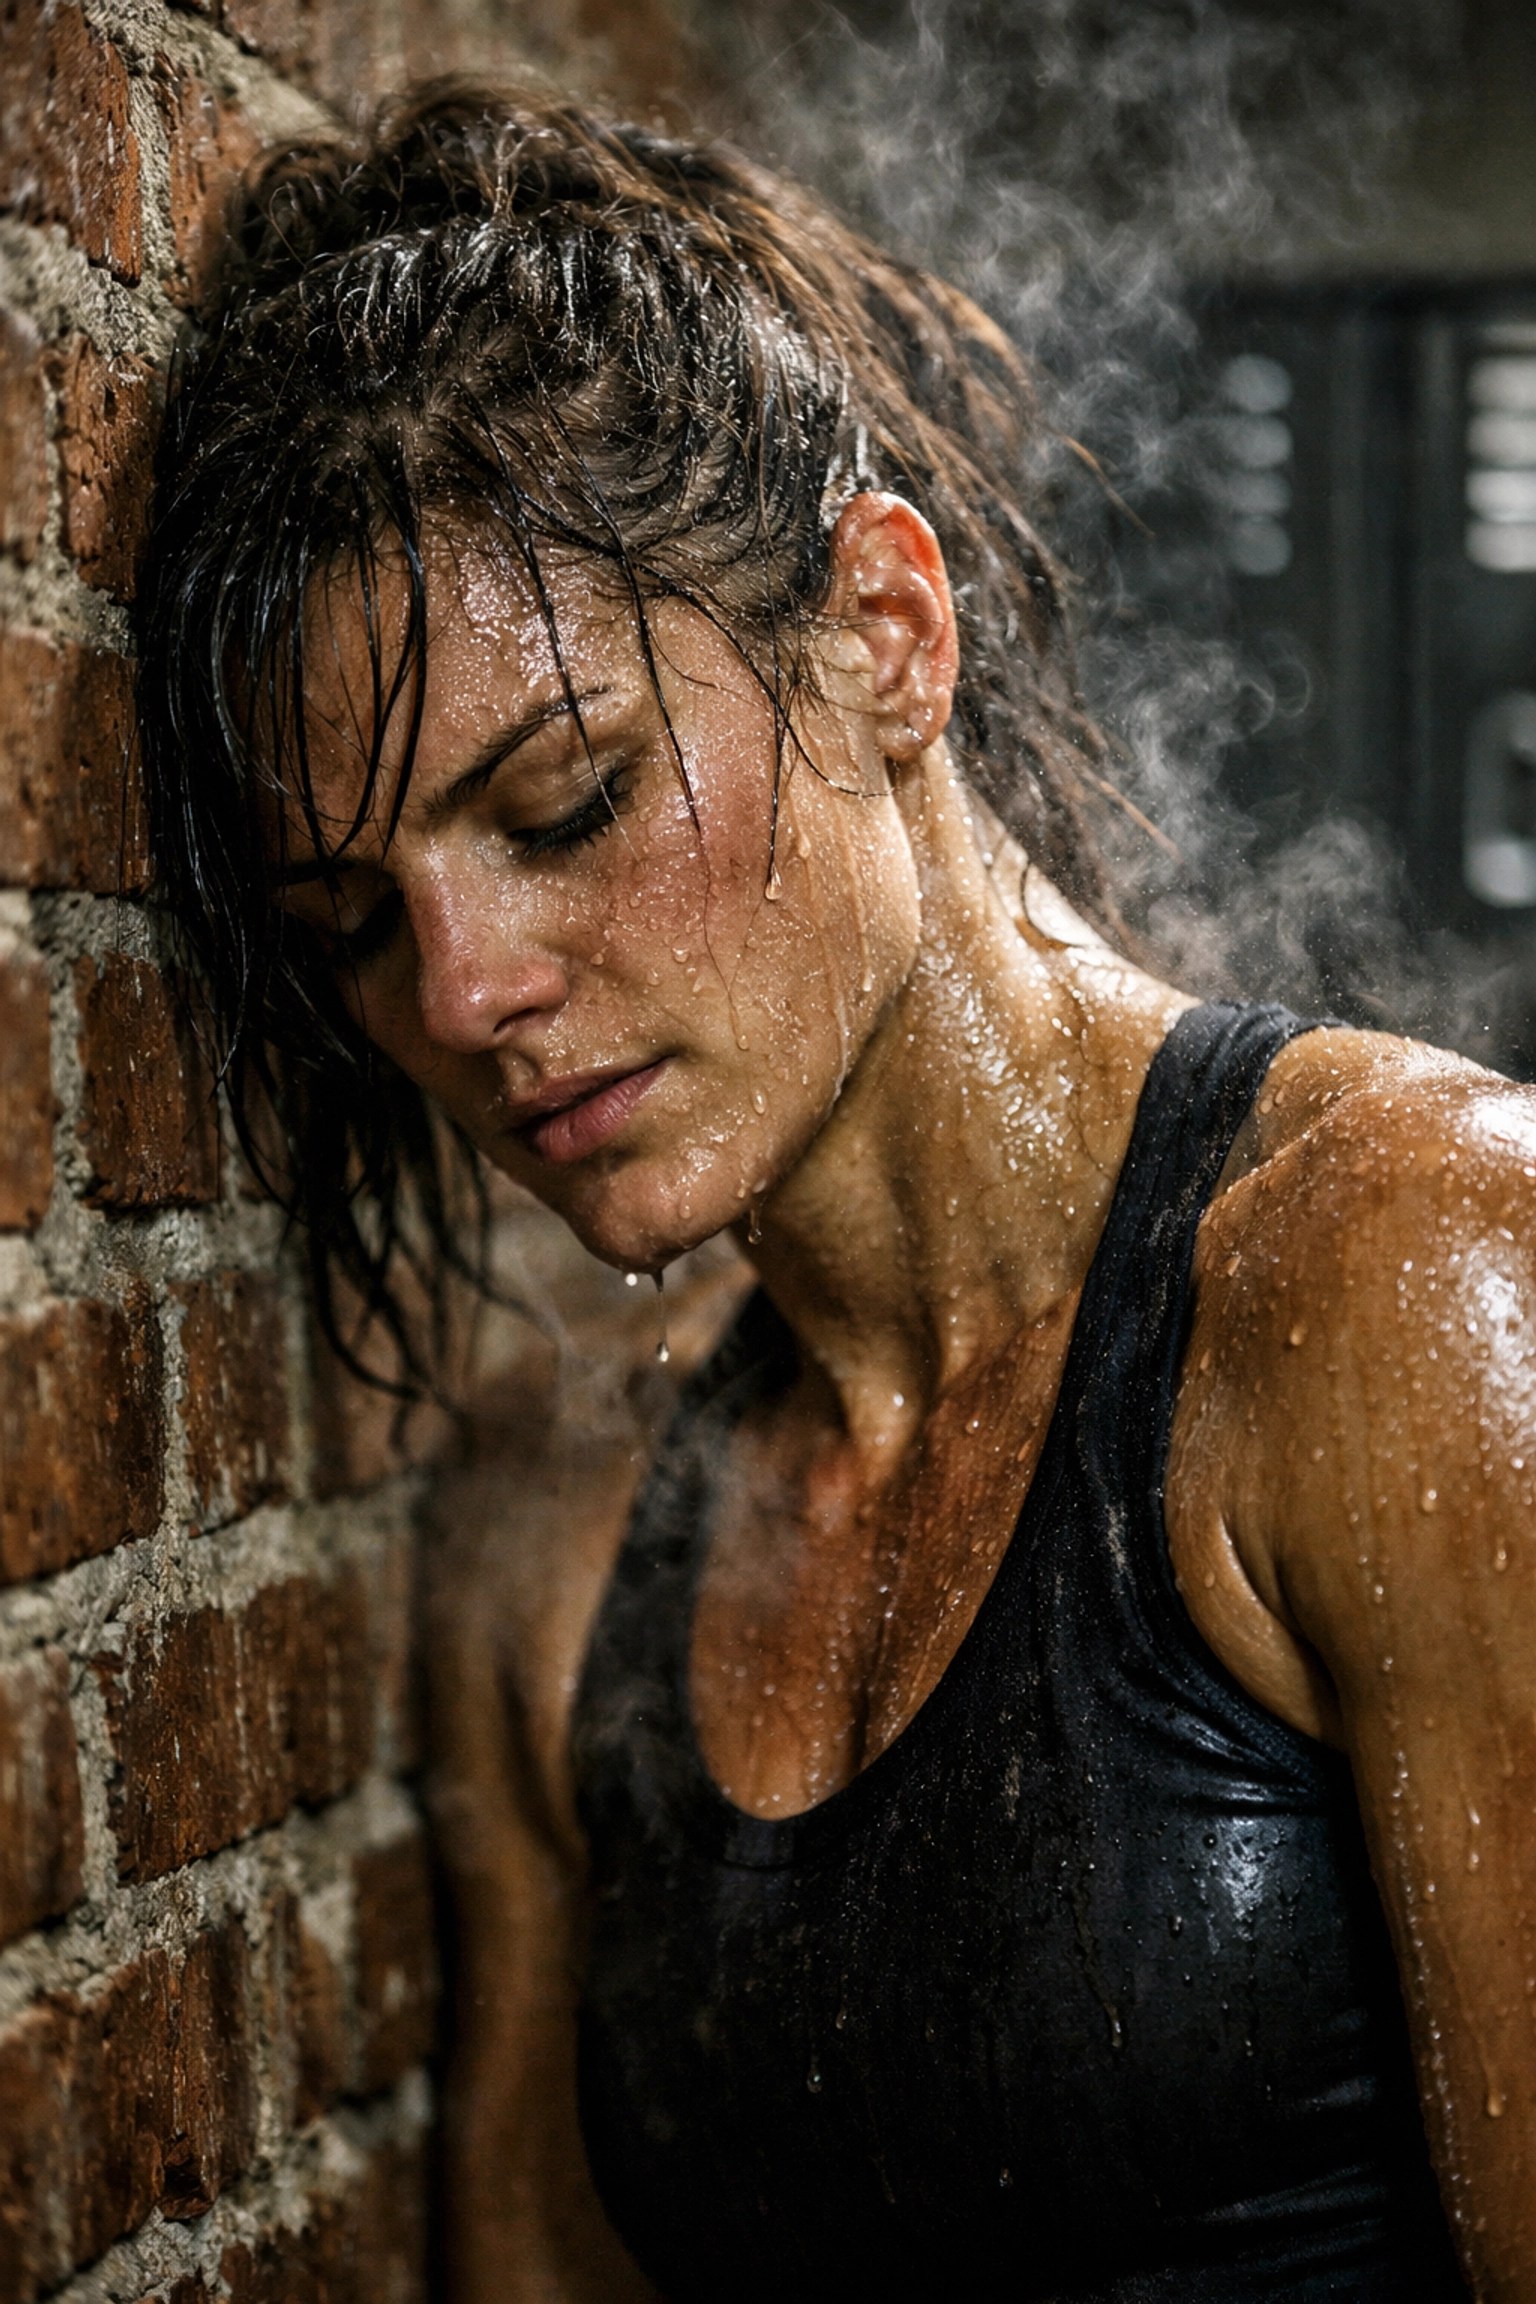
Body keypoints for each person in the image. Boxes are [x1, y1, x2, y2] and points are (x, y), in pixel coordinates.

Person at [136, 82, 1536, 2302]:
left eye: (568, 800)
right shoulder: (554, 1542)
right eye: (352, 926)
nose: (465, 990)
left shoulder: (1410, 1290)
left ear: (887, 634)